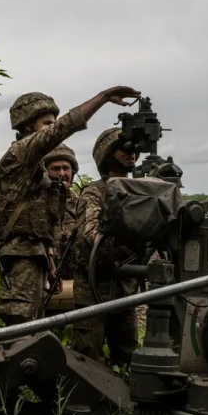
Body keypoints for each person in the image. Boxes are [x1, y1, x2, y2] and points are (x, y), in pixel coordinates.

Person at [0, 87, 139, 326]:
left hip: (34, 256)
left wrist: (49, 263)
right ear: (28, 127)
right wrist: (102, 98)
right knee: (20, 327)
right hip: (22, 258)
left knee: (33, 330)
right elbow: (65, 127)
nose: (53, 128)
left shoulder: (34, 167)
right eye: (47, 123)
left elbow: (37, 223)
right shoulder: (19, 155)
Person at [68, 128, 141, 368]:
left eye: (135, 149)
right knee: (88, 351)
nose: (133, 154)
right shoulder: (94, 191)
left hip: (125, 282)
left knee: (127, 348)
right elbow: (91, 234)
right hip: (93, 282)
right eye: (125, 149)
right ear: (108, 154)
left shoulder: (140, 189)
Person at [44, 145, 80, 299]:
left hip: (75, 281)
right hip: (44, 279)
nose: (61, 174)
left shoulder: (82, 202)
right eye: (55, 169)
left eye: (66, 168)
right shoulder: (35, 202)